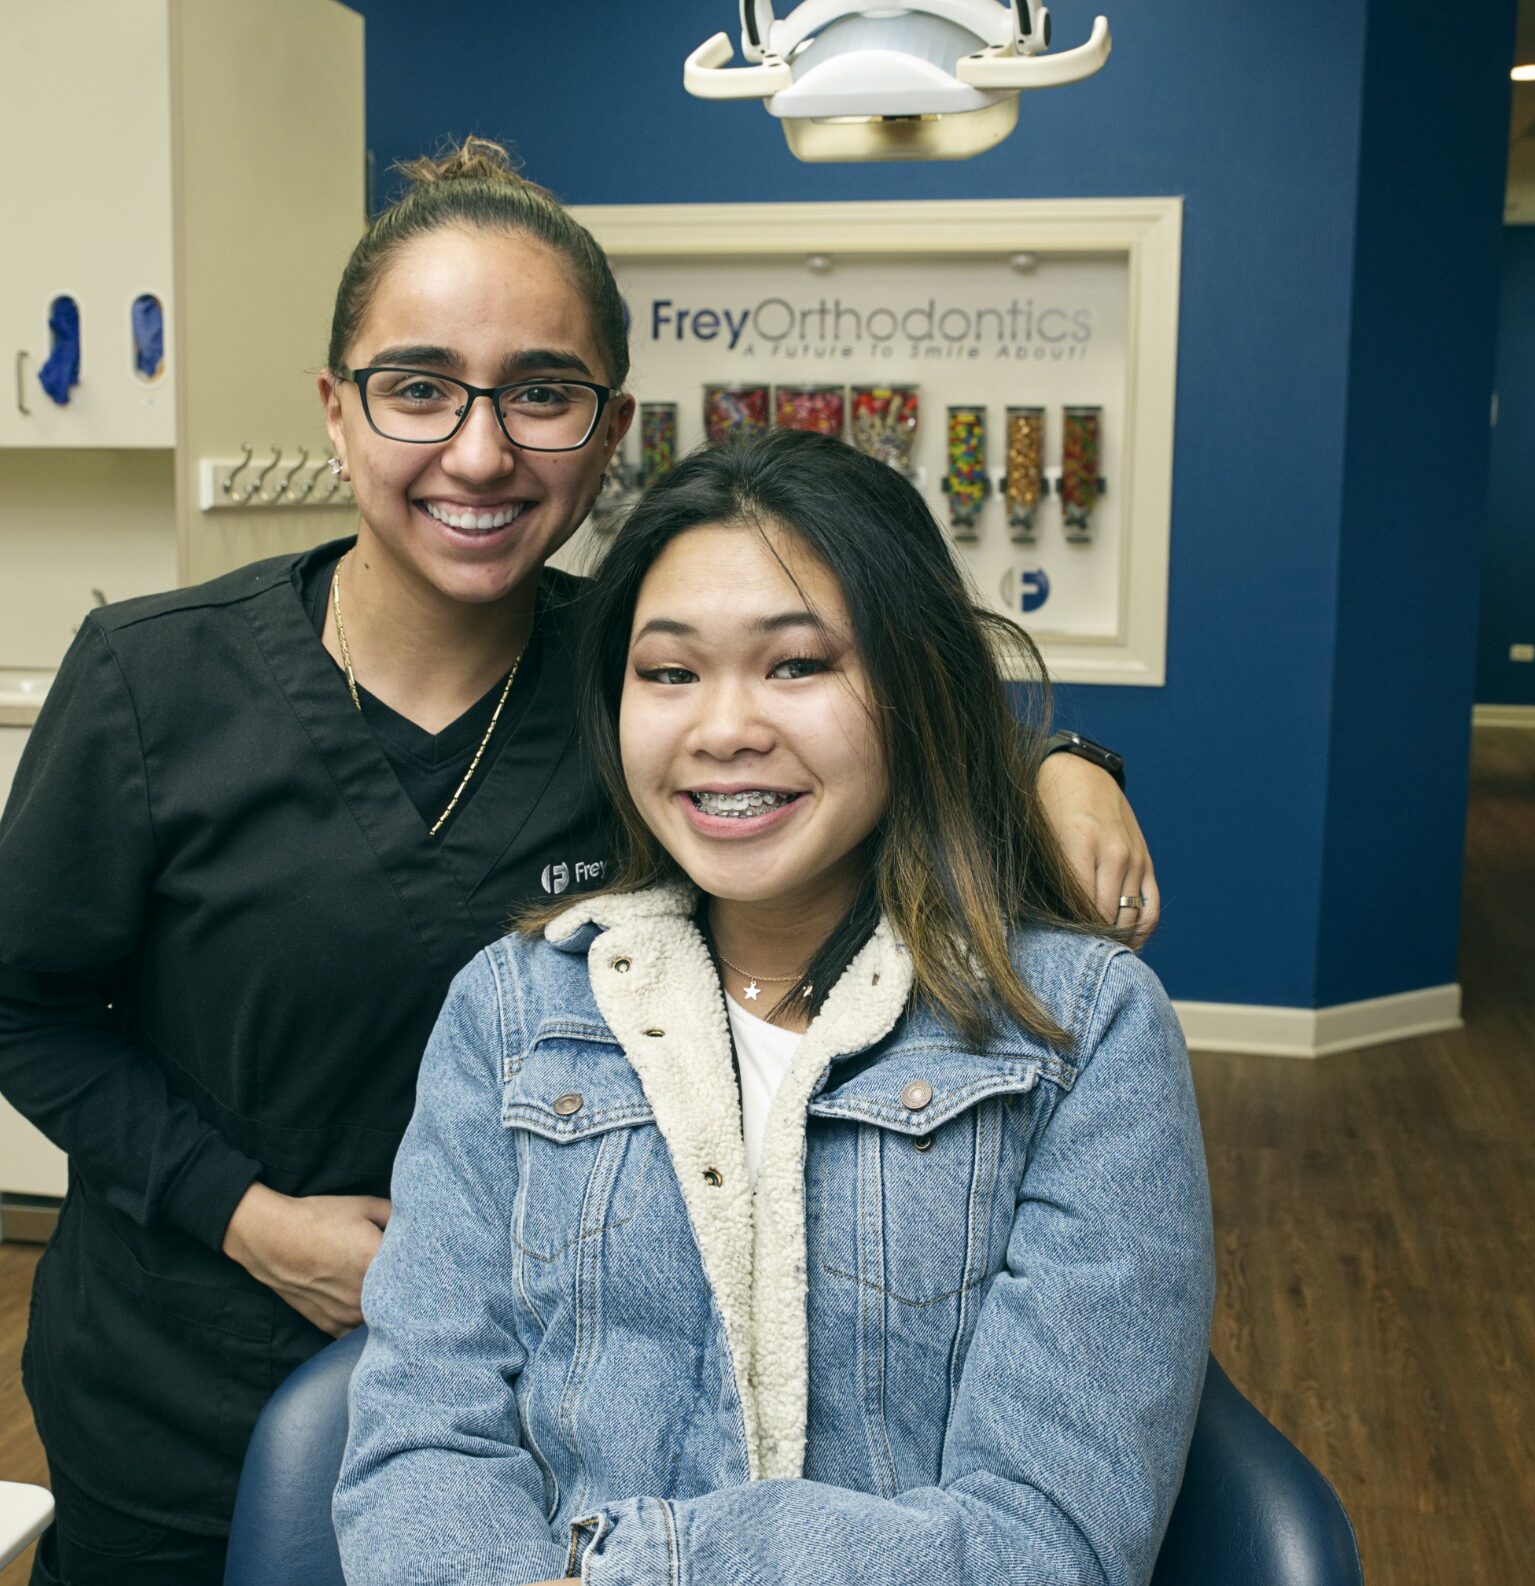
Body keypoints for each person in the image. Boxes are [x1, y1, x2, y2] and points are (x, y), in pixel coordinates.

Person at [0, 141, 1154, 1585]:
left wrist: (1060, 766)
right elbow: (19, 1000)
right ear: (337, 416)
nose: (479, 449)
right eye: (418, 386)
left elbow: (875, 705)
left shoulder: (645, 683)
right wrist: (250, 1219)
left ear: (607, 433)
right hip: (193, 1367)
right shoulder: (152, 681)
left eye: (541, 393)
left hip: (588, 1393)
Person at [335, 428, 1213, 1586]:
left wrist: (637, 1570)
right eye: (669, 670)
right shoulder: (509, 1010)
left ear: (912, 685)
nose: (721, 727)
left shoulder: (1080, 1031)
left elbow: (1050, 1538)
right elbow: (420, 1436)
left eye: (796, 664)